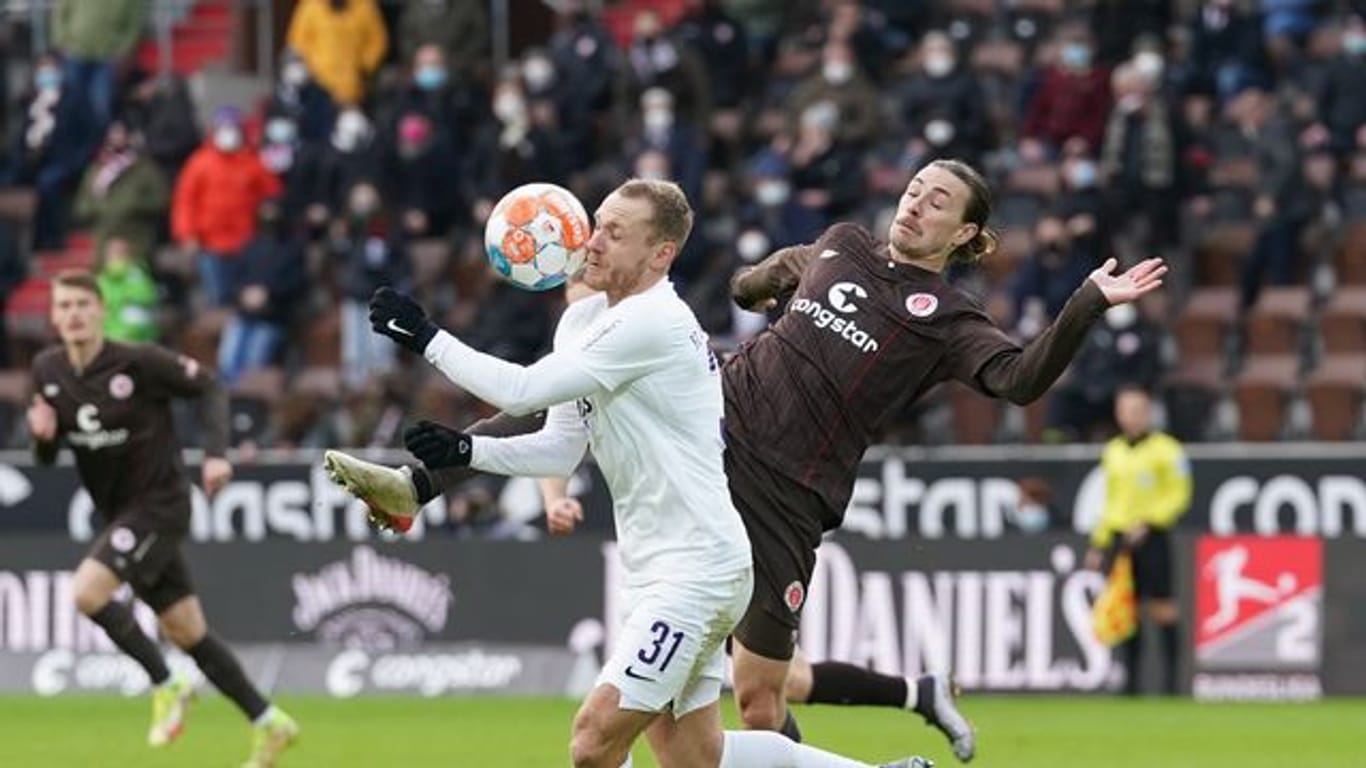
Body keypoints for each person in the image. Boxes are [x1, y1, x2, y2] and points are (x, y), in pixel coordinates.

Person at [327, 159, 1166, 762]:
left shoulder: (947, 319)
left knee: (761, 698)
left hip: (788, 498)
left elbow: (1021, 380)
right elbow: (750, 285)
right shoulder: (842, 244)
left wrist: (1087, 303)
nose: (915, 205)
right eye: (913, 188)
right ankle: (419, 482)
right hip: (720, 428)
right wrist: (766, 287)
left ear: (967, 233)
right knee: (588, 388)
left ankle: (892, 728)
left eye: (938, 202)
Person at [327, 179, 931, 768]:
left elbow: (521, 390)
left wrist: (428, 338)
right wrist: (469, 455)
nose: (593, 242)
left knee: (593, 742)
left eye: (615, 233)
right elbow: (559, 449)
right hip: (662, 570)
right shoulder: (585, 323)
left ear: (659, 254)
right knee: (694, 757)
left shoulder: (654, 322)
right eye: (597, 225)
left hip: (697, 571)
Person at [27, 271, 298, 766]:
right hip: (118, 512)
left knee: (86, 592)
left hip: (161, 504)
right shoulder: (47, 369)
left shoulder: (138, 361)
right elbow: (45, 459)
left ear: (100, 311)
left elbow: (211, 386)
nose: (73, 315)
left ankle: (167, 682)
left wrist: (215, 454)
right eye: (63, 307)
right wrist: (43, 438)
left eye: (82, 306)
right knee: (186, 630)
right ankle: (268, 721)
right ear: (53, 316)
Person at [1084, 386, 1191, 695]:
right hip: (1120, 536)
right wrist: (1099, 542)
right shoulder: (1113, 451)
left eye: (1137, 410)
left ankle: (1172, 686)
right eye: (1125, 410)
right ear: (1118, 414)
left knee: (1162, 608)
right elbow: (1109, 501)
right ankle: (1132, 685)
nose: (1131, 416)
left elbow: (1179, 495)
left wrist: (1151, 520)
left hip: (1153, 536)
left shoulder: (1168, 450)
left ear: (1148, 413)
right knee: (1126, 609)